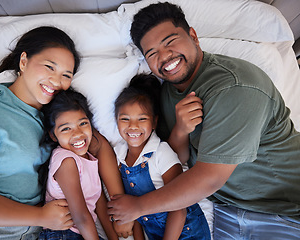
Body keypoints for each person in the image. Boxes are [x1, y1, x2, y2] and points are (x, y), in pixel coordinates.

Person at [108, 2, 300, 239]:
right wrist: (179, 131)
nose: (164, 56)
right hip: (227, 211)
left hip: (285, 211)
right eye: (152, 53)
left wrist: (138, 207)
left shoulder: (235, 87)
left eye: (170, 42)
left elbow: (209, 179)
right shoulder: (169, 91)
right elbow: (175, 159)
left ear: (193, 36)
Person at [0, 26, 125, 239]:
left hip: (35, 231)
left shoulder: (56, 117)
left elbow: (97, 144)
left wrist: (120, 208)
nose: (56, 81)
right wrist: (40, 217)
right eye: (49, 67)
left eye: (66, 75)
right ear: (24, 61)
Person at [113, 73, 210, 240]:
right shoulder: (119, 156)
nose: (133, 126)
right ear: (116, 121)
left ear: (154, 122)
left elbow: (179, 205)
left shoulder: (161, 153)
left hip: (189, 231)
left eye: (142, 119)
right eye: (125, 119)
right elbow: (133, 211)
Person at [39, 89, 118, 240]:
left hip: (82, 231)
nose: (78, 133)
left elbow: (98, 200)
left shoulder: (88, 158)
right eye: (66, 129)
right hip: (62, 233)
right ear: (53, 135)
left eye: (83, 123)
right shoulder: (66, 161)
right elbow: (80, 216)